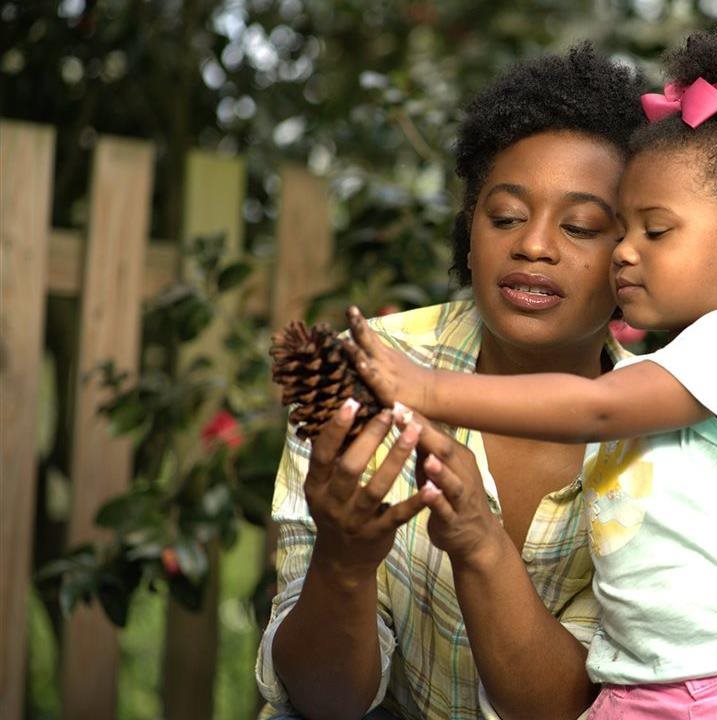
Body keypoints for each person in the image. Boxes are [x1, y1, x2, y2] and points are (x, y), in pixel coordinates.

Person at [346, 14, 717, 719]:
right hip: (639, 693)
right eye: (620, 230)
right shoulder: (657, 367)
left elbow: (592, 410)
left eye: (654, 231)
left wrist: (429, 389)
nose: (624, 251)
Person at [255, 43, 649, 720]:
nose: (533, 245)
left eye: (580, 225)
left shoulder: (661, 438)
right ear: (469, 234)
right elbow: (322, 703)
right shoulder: (366, 372)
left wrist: (479, 540)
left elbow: (564, 710)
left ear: (631, 257)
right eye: (505, 217)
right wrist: (343, 566)